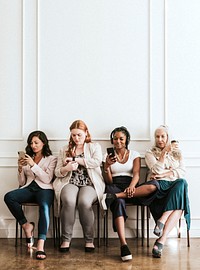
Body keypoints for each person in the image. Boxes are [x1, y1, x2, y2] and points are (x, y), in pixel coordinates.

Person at [101, 126, 160, 262]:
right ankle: (124, 244)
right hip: (114, 185)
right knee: (119, 202)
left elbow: (137, 174)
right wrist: (107, 167)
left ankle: (115, 197)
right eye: (115, 139)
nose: (118, 141)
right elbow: (108, 181)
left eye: (121, 138)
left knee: (154, 186)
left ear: (127, 139)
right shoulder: (107, 156)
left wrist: (132, 186)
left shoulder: (134, 154)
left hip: (131, 185)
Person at [53, 120, 105, 253]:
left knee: (84, 202)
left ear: (86, 133)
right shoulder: (64, 149)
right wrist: (66, 168)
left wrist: (76, 160)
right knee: (69, 201)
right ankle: (66, 239)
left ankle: (89, 240)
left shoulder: (94, 147)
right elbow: (57, 172)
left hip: (90, 183)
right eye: (73, 135)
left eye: (79, 135)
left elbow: (96, 162)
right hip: (69, 182)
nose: (76, 138)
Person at [4, 131, 57, 260]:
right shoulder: (28, 158)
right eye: (31, 143)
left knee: (44, 207)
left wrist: (33, 165)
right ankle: (26, 225)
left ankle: (40, 245)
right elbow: (22, 182)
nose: (33, 145)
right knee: (9, 197)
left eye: (36, 142)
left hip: (45, 189)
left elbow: (47, 179)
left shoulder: (51, 159)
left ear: (43, 143)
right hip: (29, 188)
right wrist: (20, 169)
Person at [145, 125, 190, 258]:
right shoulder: (150, 153)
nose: (160, 139)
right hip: (159, 189)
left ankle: (162, 231)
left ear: (168, 137)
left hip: (175, 187)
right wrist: (164, 152)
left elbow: (182, 171)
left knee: (182, 183)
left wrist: (167, 172)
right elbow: (156, 171)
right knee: (180, 204)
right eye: (157, 136)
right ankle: (161, 239)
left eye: (163, 136)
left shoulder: (177, 153)